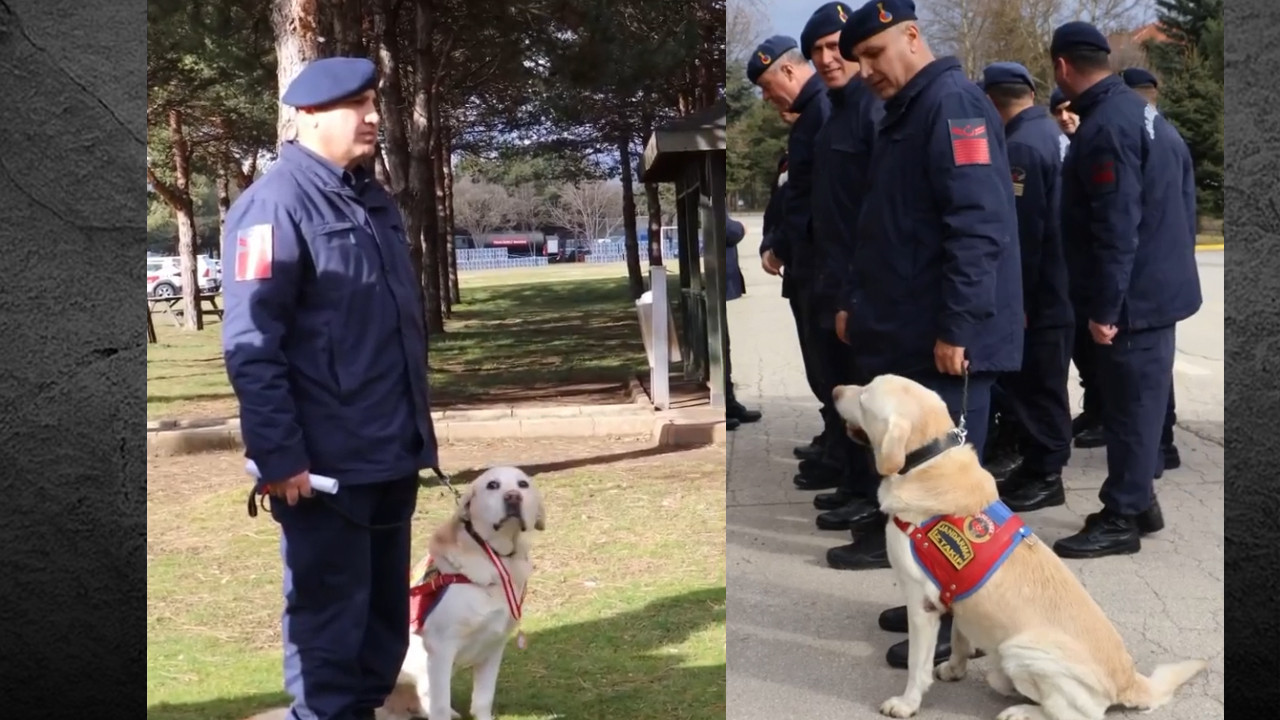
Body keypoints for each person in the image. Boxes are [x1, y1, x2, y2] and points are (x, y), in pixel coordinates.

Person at [221, 57, 439, 720]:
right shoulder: (274, 206)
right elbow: (252, 344)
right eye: (357, 105)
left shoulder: (372, 198)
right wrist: (279, 455)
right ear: (310, 116)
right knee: (328, 638)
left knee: (381, 635)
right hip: (324, 472)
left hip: (389, 454)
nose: (374, 116)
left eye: (374, 102)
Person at [838, 0, 1023, 668]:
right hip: (914, 334)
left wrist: (959, 326)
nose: (866, 71)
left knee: (948, 493)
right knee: (924, 491)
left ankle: (956, 620)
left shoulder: (953, 105)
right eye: (858, 60)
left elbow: (977, 227)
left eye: (874, 55)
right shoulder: (910, 110)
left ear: (911, 37)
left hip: (948, 341)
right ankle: (931, 597)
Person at [1049, 22, 1201, 558]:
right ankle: (1140, 502)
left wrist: (1107, 307)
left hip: (1134, 297)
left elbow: (1117, 224)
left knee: (1131, 408)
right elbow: (1183, 200)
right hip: (1156, 286)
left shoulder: (1106, 126)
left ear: (1062, 67)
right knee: (1137, 405)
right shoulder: (1142, 112)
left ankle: (1121, 517)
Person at [796, 2, 890, 548]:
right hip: (836, 276)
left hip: (862, 283)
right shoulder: (838, 109)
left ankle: (869, 497)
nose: (828, 59)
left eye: (836, 47)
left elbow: (874, 211)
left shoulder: (871, 110)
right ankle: (859, 488)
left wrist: (856, 290)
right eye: (818, 52)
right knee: (847, 391)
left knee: (867, 397)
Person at [978, 62, 1075, 512]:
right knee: (1043, 381)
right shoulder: (1050, 133)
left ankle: (1046, 471)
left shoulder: (1020, 148)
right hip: (1061, 282)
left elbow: (1023, 236)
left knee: (1039, 384)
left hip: (1041, 290)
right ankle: (1037, 462)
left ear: (991, 103)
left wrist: (1020, 301)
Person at [747, 35, 839, 491]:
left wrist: (781, 243)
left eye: (767, 86)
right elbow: (786, 198)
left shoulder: (822, 110)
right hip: (807, 265)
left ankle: (845, 458)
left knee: (834, 367)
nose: (767, 98)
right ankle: (838, 445)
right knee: (821, 366)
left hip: (822, 265)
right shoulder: (810, 117)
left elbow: (812, 199)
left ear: (787, 71)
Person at [1122, 66, 1183, 472]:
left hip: (1147, 278)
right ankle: (1164, 444)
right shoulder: (1168, 135)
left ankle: (1158, 449)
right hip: (1168, 274)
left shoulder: (1144, 136)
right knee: (1158, 373)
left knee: (1147, 380)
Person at [725, 215, 760, 430]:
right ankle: (725, 403)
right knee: (720, 343)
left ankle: (729, 401)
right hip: (716, 277)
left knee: (724, 343)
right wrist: (740, 227)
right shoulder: (711, 192)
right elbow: (727, 230)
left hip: (721, 278)